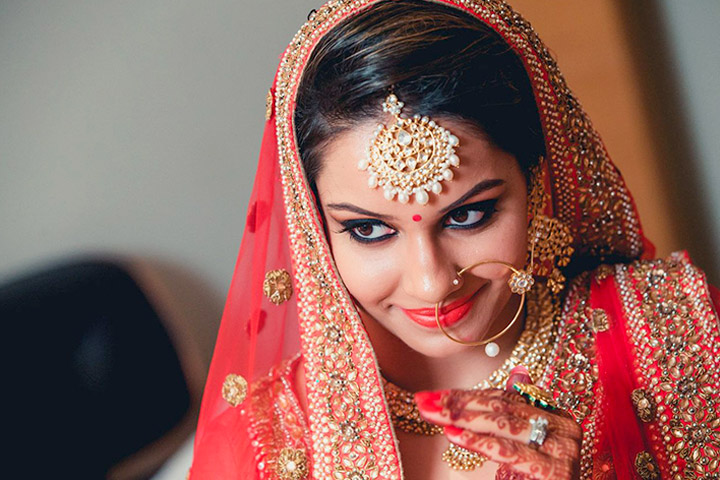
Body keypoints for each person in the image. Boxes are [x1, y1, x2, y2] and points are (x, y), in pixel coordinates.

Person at [189, 0, 720, 478]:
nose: (431, 281)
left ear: (538, 181)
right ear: (315, 229)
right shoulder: (264, 444)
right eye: (369, 230)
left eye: (469, 215)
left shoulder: (676, 328)